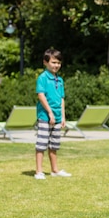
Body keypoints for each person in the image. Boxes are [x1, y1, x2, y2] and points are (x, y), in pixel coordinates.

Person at [34, 49, 71, 180]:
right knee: (41, 144)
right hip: (45, 116)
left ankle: (55, 170)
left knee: (54, 145)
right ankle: (39, 171)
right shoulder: (42, 78)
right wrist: (50, 112)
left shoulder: (59, 80)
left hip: (57, 117)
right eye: (53, 62)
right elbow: (40, 95)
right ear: (45, 62)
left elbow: (61, 99)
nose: (56, 65)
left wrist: (63, 116)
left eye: (58, 63)